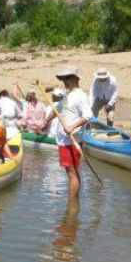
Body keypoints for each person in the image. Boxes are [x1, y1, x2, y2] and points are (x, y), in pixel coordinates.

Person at [42, 66, 92, 197]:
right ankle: (73, 202)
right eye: (63, 79)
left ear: (75, 79)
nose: (64, 81)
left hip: (72, 140)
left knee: (72, 172)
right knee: (70, 172)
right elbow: (57, 110)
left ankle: (72, 203)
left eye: (67, 78)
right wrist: (46, 121)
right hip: (64, 140)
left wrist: (72, 127)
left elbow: (88, 116)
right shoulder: (68, 95)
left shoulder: (81, 96)